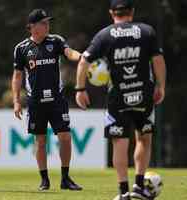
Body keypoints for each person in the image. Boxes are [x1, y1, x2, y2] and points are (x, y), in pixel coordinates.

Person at [75, 0, 166, 199]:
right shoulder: (146, 31)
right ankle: (139, 186)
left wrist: (80, 89)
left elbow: (83, 61)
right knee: (144, 138)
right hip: (143, 94)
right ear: (131, 12)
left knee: (120, 142)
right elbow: (158, 60)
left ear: (111, 13)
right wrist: (161, 86)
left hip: (118, 97)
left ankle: (123, 191)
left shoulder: (105, 34)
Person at [12, 8, 83, 191]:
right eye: (44, 23)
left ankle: (65, 178)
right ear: (32, 27)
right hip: (35, 102)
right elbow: (17, 76)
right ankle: (44, 179)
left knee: (65, 137)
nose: (47, 25)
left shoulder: (56, 41)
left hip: (57, 100)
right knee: (40, 141)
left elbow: (69, 52)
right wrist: (16, 101)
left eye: (47, 22)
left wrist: (81, 57)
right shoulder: (21, 49)